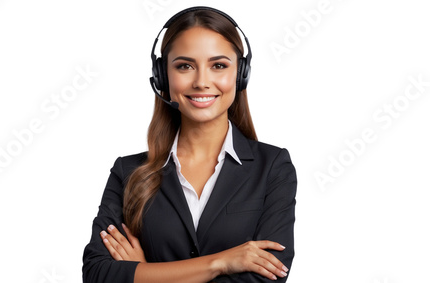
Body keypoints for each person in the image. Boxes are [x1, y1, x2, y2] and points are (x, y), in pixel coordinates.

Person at [82, 6, 297, 282]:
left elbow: (268, 276)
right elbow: (98, 274)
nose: (201, 82)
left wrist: (144, 272)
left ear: (241, 74)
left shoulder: (273, 168)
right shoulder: (128, 172)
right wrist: (220, 263)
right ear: (162, 76)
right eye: (184, 66)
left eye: (218, 65)